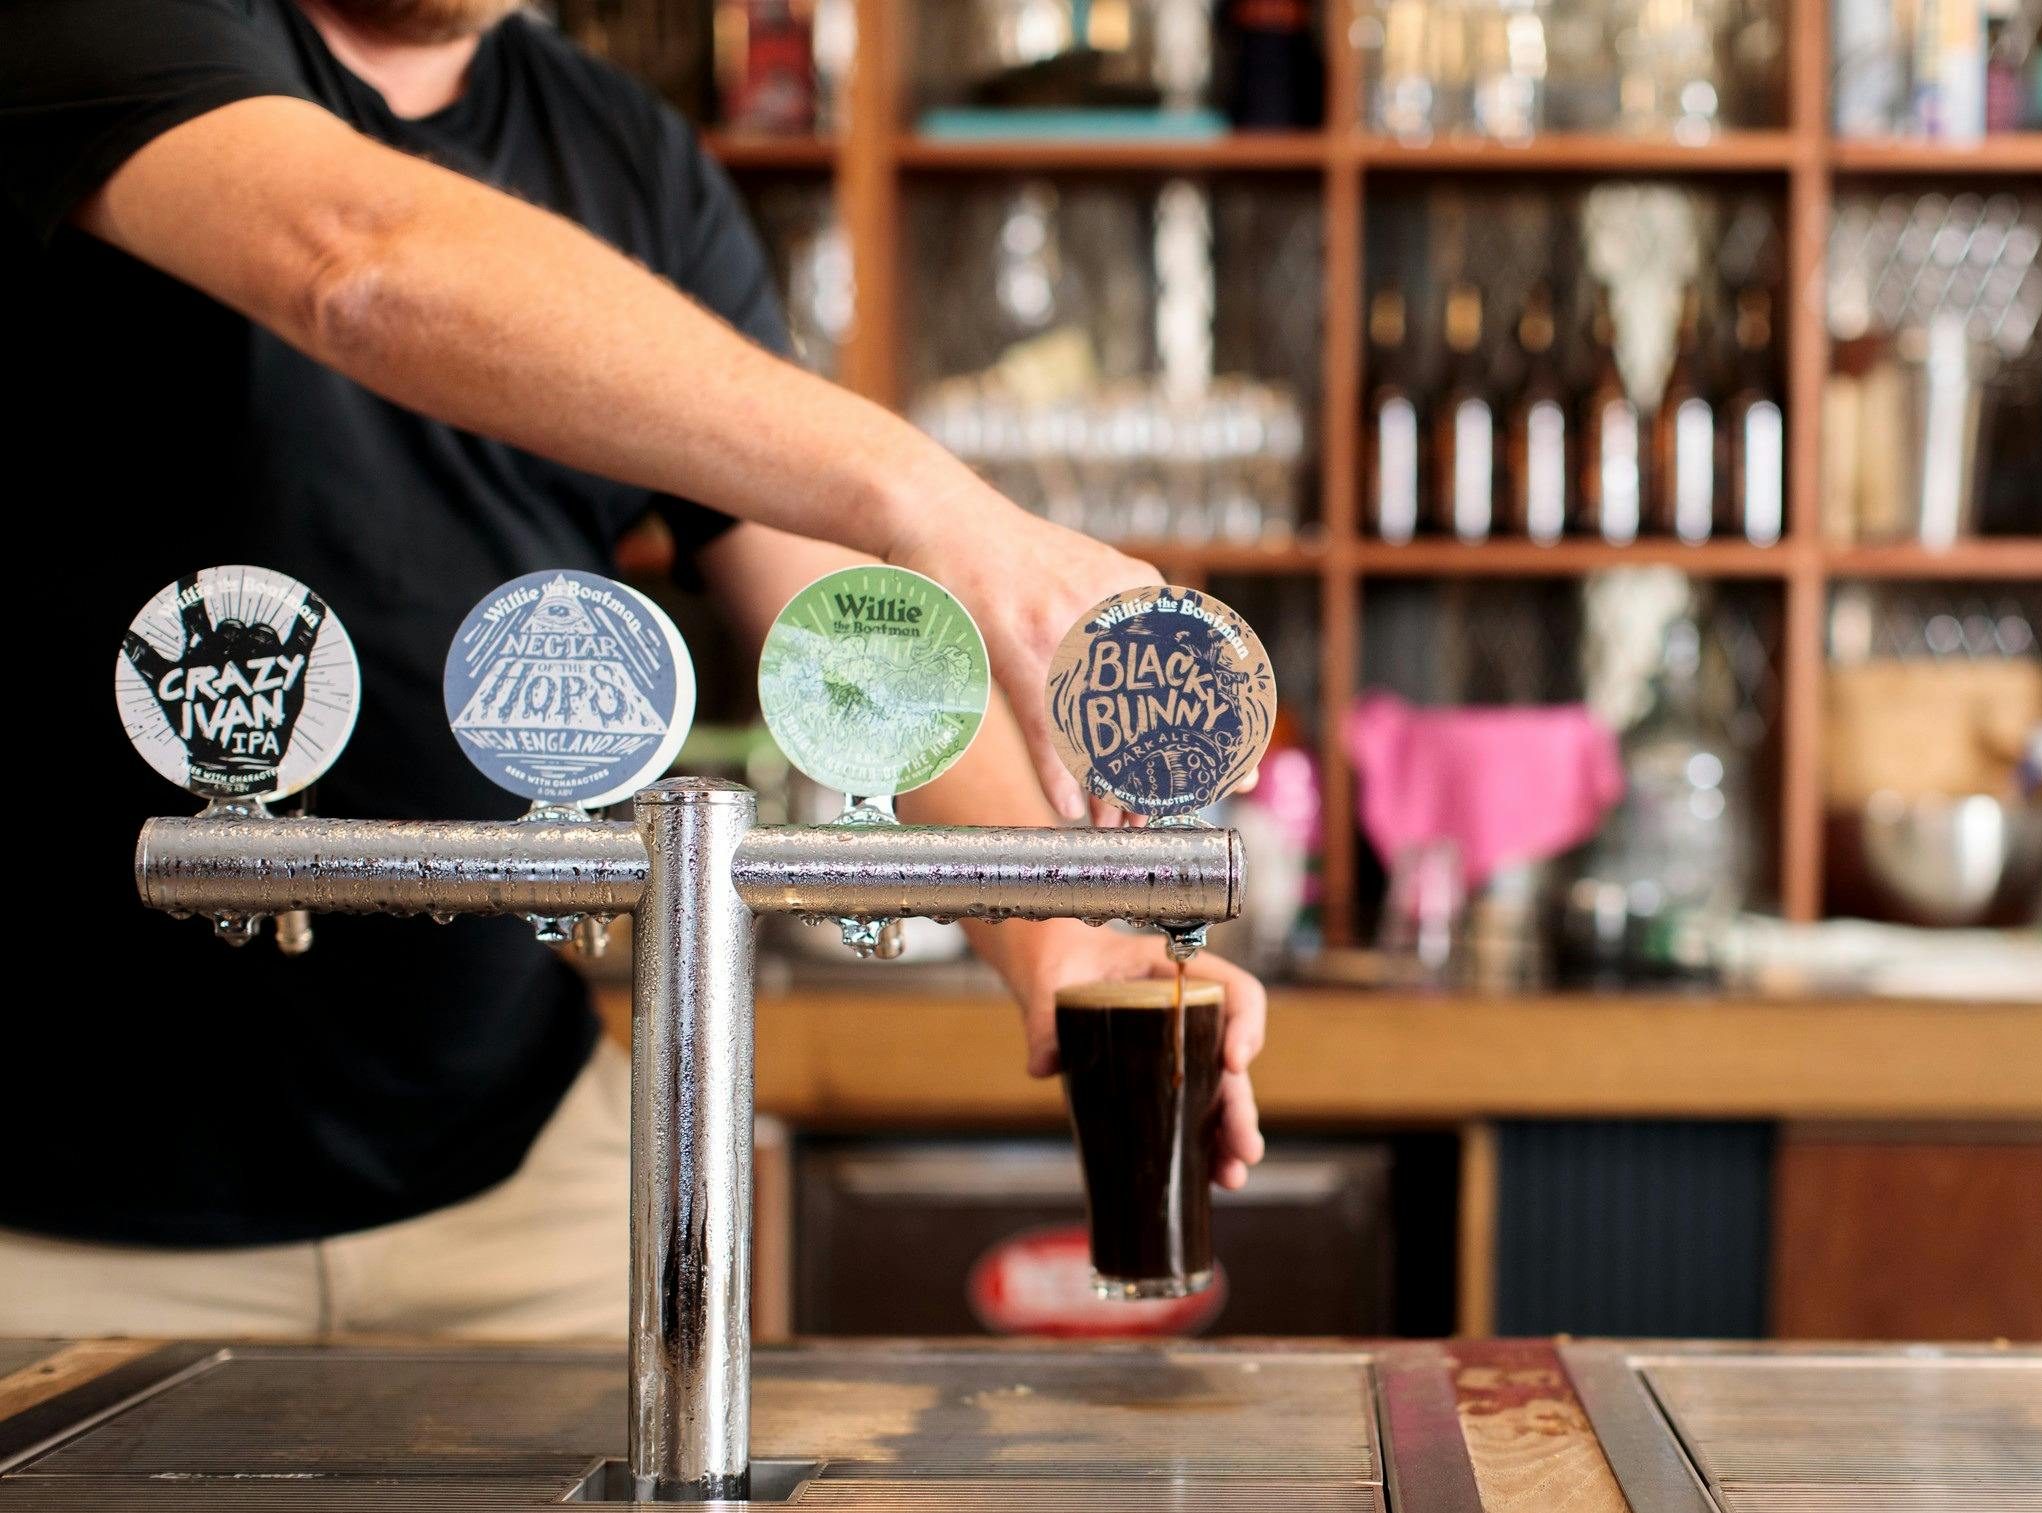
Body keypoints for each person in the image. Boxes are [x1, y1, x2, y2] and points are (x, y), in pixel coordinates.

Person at [0, 0, 1265, 1338]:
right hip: (59, 1214)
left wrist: (1058, 930)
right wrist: (936, 501)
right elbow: (356, 261)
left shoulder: (628, 154)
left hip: (517, 1179)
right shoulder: (104, 18)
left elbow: (841, 627)